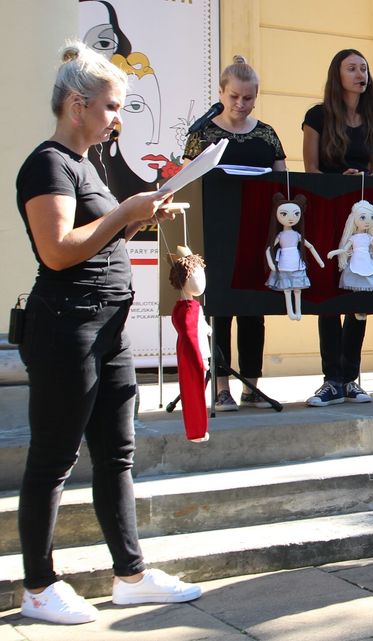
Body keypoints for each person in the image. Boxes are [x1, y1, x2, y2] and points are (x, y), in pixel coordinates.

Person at [15, 41, 201, 625]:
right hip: (67, 326)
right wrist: (125, 213)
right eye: (110, 107)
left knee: (116, 455)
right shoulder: (48, 164)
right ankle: (39, 586)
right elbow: (60, 251)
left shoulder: (88, 165)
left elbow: (97, 237)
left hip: (110, 326)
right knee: (54, 457)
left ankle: (131, 575)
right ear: (77, 105)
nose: (117, 118)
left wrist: (139, 216)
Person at [183, 55, 286, 411]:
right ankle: (222, 386)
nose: (240, 105)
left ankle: (252, 386)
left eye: (248, 98)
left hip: (257, 234)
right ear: (221, 93)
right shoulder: (204, 134)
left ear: (256, 96)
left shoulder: (267, 135)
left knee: (253, 309)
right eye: (234, 97)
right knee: (220, 309)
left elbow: (282, 185)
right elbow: (186, 184)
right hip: (215, 233)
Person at [301, 48, 373, 407]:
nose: (359, 74)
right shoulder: (317, 116)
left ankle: (350, 378)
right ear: (337, 76)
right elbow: (311, 171)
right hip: (328, 209)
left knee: (359, 291)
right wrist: (341, 178)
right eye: (351, 68)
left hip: (361, 218)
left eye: (363, 68)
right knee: (328, 294)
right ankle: (331, 379)